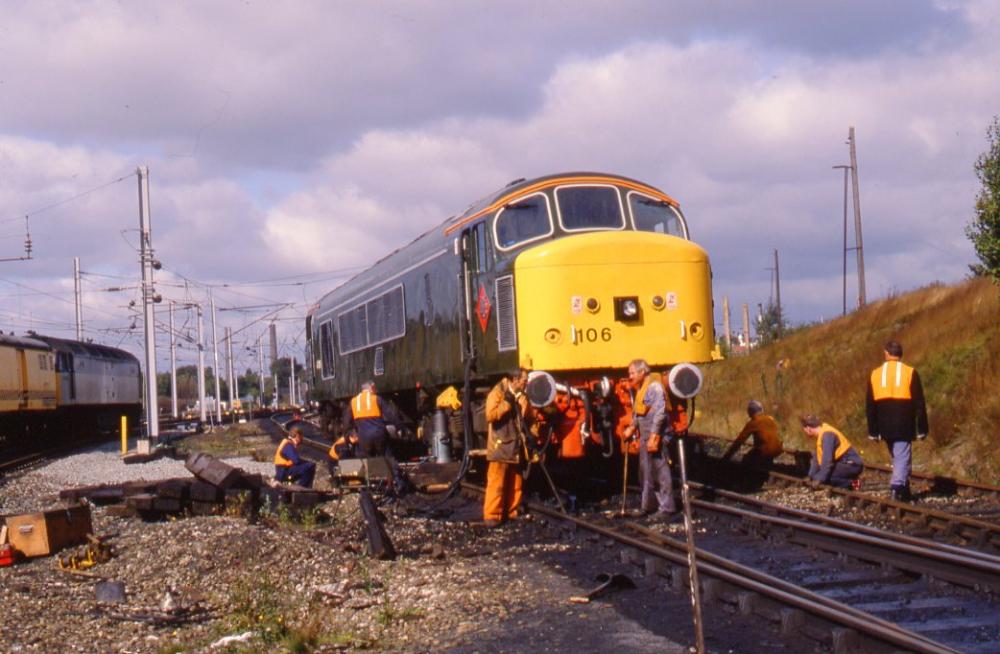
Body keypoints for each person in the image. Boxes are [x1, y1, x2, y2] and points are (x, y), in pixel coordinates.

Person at [866, 340, 928, 502]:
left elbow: (870, 404)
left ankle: (904, 489)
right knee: (902, 456)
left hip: (883, 422)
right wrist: (922, 428)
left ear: (886, 353)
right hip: (904, 421)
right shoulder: (910, 372)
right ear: (900, 354)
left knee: (898, 456)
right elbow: (919, 402)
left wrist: (873, 431)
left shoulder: (875, 374)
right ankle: (896, 487)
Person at [623, 359, 677, 519]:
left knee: (660, 471)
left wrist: (655, 436)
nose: (630, 376)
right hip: (646, 435)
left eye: (632, 373)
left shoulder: (654, 387)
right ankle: (648, 506)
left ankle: (667, 508)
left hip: (656, 435)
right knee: (645, 471)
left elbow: (660, 413)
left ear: (642, 372)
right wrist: (632, 427)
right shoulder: (641, 389)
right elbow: (639, 412)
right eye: (629, 373)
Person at [483, 368, 530, 527]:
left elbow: (531, 418)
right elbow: (490, 415)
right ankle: (492, 516)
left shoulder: (522, 396)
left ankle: (511, 512)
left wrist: (533, 436)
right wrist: (507, 403)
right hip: (500, 445)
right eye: (524, 380)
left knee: (515, 483)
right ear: (515, 379)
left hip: (515, 447)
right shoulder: (497, 393)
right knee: (497, 482)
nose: (526, 383)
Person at [346, 381, 409, 493]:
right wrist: (400, 427)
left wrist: (351, 434)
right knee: (387, 457)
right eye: (374, 388)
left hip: (364, 438)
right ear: (370, 389)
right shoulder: (376, 399)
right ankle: (398, 483)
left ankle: (369, 486)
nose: (375, 390)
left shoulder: (353, 402)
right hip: (379, 435)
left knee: (365, 459)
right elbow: (391, 415)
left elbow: (346, 422)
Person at [801, 415, 863, 489]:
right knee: (820, 475)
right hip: (843, 463)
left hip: (852, 464)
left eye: (804, 430)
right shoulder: (821, 434)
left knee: (827, 478)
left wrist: (819, 478)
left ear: (808, 429)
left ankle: (853, 483)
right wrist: (810, 476)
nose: (805, 433)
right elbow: (817, 459)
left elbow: (827, 461)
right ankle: (848, 481)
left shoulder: (828, 435)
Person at [721, 400, 783, 468]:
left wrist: (726, 457)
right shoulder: (770, 419)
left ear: (750, 412)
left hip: (764, 452)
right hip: (778, 450)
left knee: (746, 459)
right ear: (761, 410)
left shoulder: (753, 422)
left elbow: (739, 441)